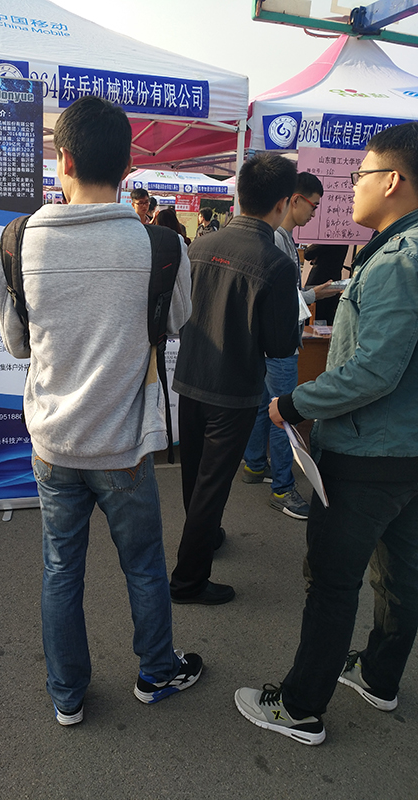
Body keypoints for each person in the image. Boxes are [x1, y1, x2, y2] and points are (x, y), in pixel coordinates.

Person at [0, 95, 201, 726]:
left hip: (53, 443)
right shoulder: (161, 245)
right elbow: (176, 321)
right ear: (128, 166)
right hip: (125, 445)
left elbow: (18, 345)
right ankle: (156, 672)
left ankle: (67, 696)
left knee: (61, 570)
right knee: (143, 565)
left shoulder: (19, 241)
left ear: (63, 159)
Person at [235, 121, 418, 746]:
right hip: (407, 454)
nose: (352, 185)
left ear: (392, 181)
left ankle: (300, 706)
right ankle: (379, 676)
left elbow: (374, 370)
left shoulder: (397, 260)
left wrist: (294, 402)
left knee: (333, 583)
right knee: (402, 575)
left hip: (367, 453)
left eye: (362, 173)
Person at [169, 153, 300, 605]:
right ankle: (188, 580)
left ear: (241, 194)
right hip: (234, 388)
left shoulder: (199, 246)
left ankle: (204, 538)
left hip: (191, 376)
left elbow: (180, 312)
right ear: (283, 203)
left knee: (195, 475)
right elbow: (280, 345)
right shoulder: (277, 264)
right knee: (213, 484)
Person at [242, 172, 341, 520]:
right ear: (294, 200)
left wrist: (313, 293)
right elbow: (281, 300)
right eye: (313, 205)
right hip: (280, 343)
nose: (315, 213)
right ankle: (283, 488)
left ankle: (255, 465)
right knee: (284, 413)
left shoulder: (275, 237)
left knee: (262, 406)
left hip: (265, 342)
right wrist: (313, 295)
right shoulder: (277, 240)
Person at [304, 243, 349, 325]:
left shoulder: (328, 239)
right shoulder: (344, 240)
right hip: (335, 279)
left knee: (314, 316)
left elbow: (308, 254)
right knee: (327, 316)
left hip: (318, 280)